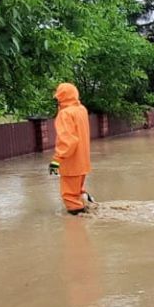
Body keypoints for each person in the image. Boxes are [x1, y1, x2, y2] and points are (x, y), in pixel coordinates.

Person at [49, 83, 92, 215]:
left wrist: (56, 161)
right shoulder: (81, 110)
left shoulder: (65, 114)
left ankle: (76, 227)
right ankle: (85, 200)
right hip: (83, 163)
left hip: (70, 164)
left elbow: (67, 141)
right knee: (78, 190)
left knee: (70, 198)